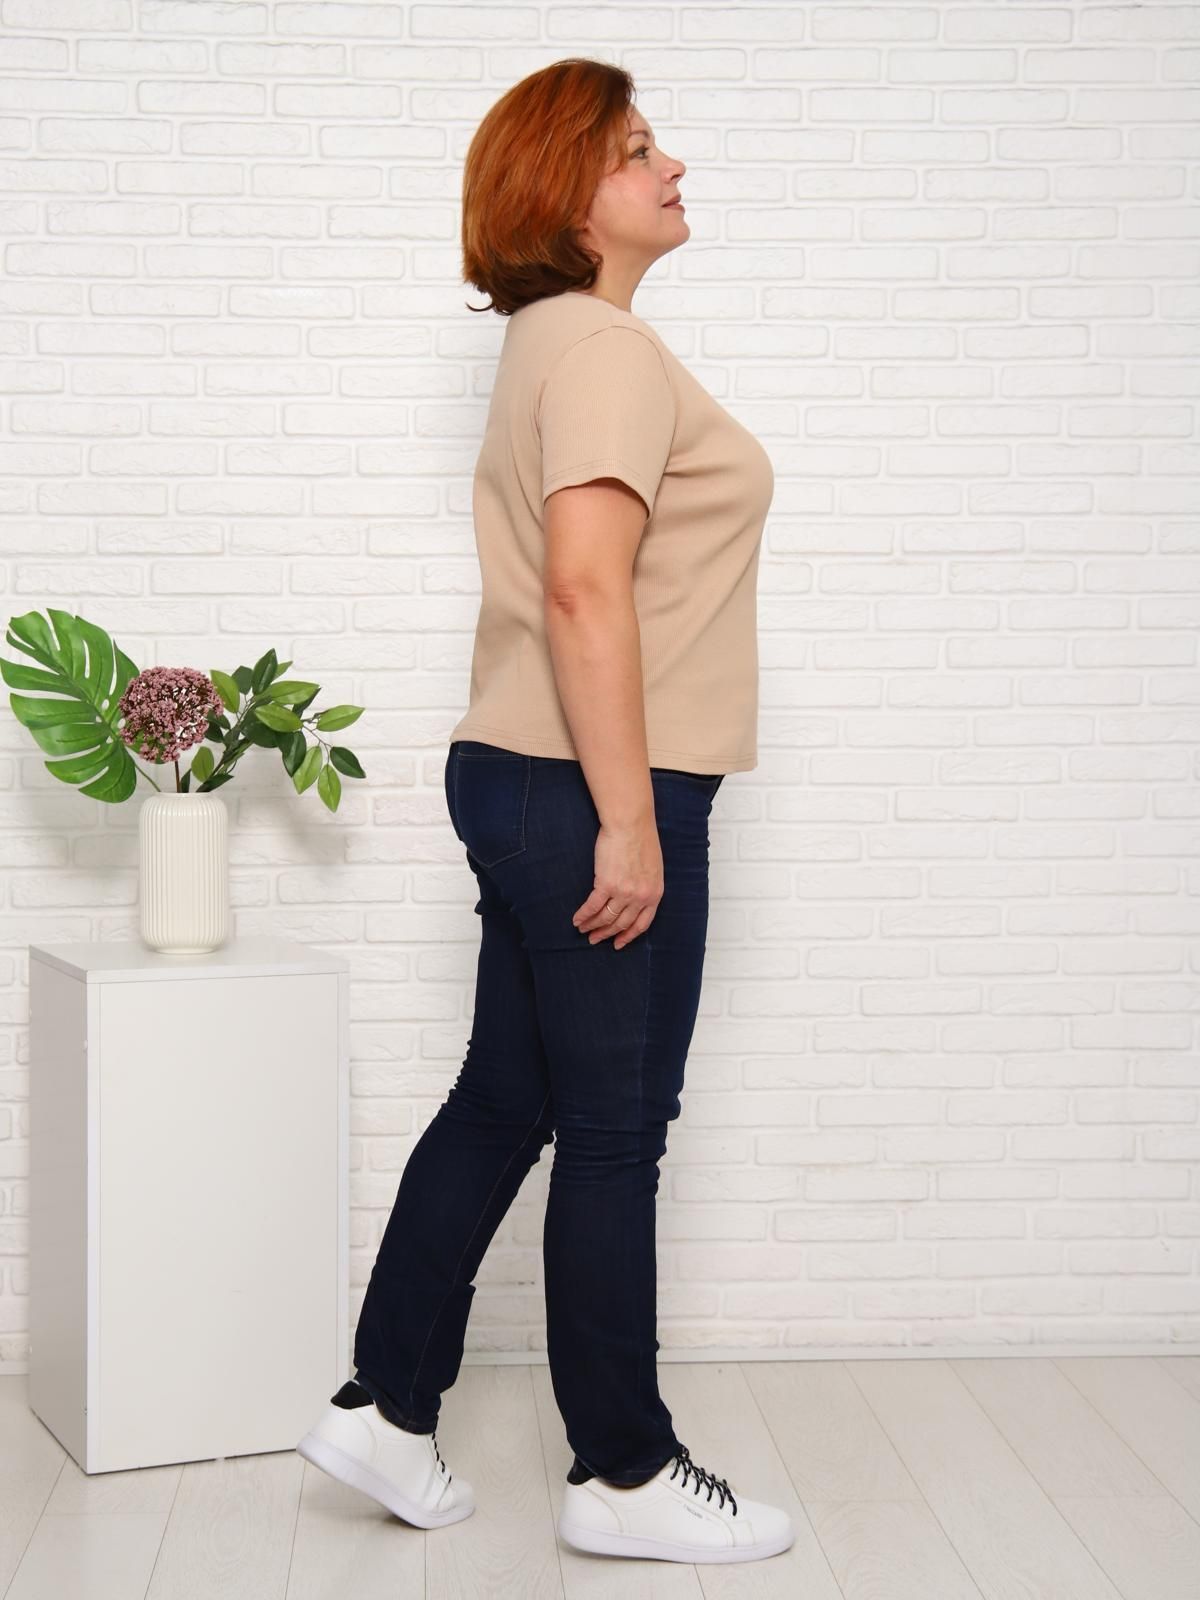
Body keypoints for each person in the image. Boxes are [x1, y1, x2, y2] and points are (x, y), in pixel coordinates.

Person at [297, 58, 794, 1566]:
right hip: (589, 784)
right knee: (616, 1130)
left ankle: (386, 1411)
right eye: (638, 151)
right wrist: (629, 822)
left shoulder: (549, 342)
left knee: (508, 1102)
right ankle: (625, 1475)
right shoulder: (606, 350)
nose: (674, 167)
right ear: (568, 199)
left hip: (521, 769)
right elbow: (586, 589)